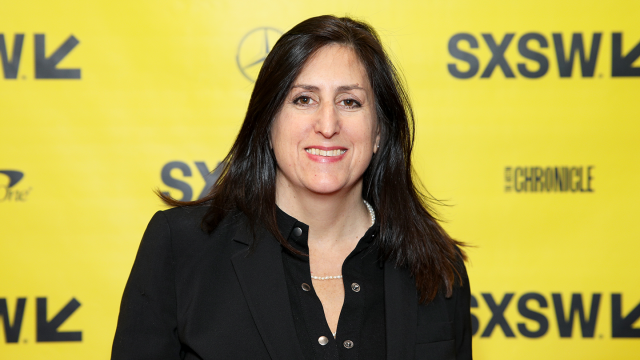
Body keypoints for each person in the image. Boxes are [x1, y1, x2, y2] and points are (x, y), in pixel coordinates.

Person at [112, 15, 472, 360]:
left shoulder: (436, 266)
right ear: (268, 122)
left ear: (378, 132)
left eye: (350, 101)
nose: (328, 124)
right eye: (304, 99)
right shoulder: (182, 247)